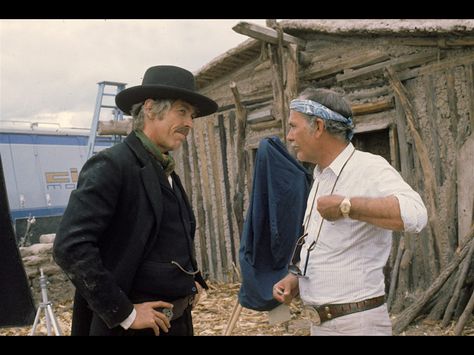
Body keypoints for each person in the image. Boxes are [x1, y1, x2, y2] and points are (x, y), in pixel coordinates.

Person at [53, 65, 218, 336]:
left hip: (174, 322)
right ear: (151, 108)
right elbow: (70, 246)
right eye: (182, 111)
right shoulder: (113, 165)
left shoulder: (163, 170)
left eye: (192, 115)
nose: (190, 123)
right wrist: (125, 313)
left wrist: (190, 280)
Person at [272, 87, 428, 335]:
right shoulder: (321, 175)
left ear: (319, 127)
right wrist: (296, 281)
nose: (289, 136)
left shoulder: (368, 167)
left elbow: (416, 214)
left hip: (356, 325)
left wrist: (348, 206)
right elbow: (327, 248)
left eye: (293, 126)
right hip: (321, 323)